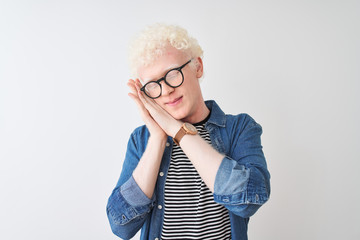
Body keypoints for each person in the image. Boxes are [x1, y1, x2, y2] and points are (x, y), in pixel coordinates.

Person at [106, 23, 270, 240]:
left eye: (172, 74)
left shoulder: (239, 128)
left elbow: (249, 201)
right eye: (153, 84)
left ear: (198, 67)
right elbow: (121, 225)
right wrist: (157, 137)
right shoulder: (141, 139)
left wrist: (177, 130)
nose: (166, 90)